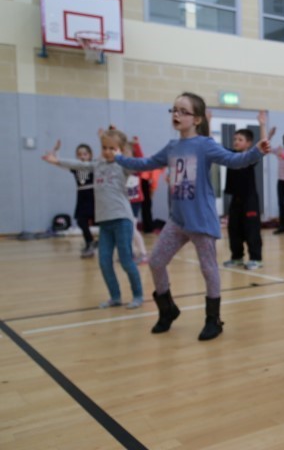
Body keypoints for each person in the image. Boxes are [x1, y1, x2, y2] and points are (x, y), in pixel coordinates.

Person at [113, 92, 270, 340]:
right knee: (156, 262)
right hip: (178, 220)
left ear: (196, 119)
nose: (176, 114)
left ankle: (213, 319)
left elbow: (234, 160)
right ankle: (167, 310)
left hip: (201, 220)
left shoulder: (204, 145)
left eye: (183, 111)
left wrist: (256, 151)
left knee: (208, 269)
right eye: (174, 110)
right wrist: (118, 157)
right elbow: (146, 163)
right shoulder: (172, 147)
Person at [42, 127, 144, 309]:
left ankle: (138, 295)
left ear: (120, 150)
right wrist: (56, 161)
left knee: (126, 261)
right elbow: (78, 164)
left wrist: (130, 150)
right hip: (104, 221)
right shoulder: (97, 165)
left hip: (122, 219)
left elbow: (139, 163)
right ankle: (115, 297)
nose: (107, 151)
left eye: (112, 148)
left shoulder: (123, 165)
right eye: (104, 147)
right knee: (104, 262)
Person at [223, 114, 264, 271]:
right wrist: (209, 121)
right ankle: (237, 257)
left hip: (249, 199)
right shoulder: (230, 156)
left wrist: (262, 125)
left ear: (248, 143)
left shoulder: (250, 157)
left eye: (240, 139)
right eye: (235, 139)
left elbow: (263, 146)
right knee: (233, 229)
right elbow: (211, 145)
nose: (236, 142)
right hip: (236, 199)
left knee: (251, 229)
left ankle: (256, 258)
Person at [125, 136, 149, 264]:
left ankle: (143, 253)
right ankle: (131, 253)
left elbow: (141, 159)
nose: (124, 153)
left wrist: (137, 145)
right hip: (124, 201)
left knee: (132, 228)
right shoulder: (120, 166)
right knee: (126, 229)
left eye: (127, 151)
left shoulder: (135, 166)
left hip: (135, 201)